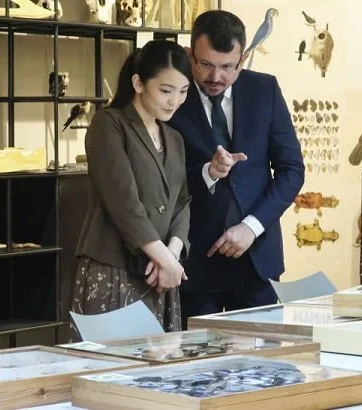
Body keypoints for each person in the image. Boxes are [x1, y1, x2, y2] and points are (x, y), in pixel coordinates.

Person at [168, 10, 305, 329]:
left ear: (242, 59)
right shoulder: (172, 96)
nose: (216, 77)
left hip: (256, 258)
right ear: (190, 55)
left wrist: (252, 226)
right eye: (206, 65)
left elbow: (291, 170)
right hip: (195, 262)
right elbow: (163, 181)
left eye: (228, 66)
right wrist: (206, 172)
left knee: (264, 368)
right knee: (197, 372)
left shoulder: (265, 91)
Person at [70, 40, 192, 337]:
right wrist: (163, 259)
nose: (174, 101)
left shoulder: (174, 137)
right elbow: (123, 201)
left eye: (183, 92)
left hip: (160, 272)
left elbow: (181, 202)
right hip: (114, 265)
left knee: (158, 372)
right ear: (138, 82)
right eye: (165, 91)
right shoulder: (108, 124)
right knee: (111, 369)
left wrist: (172, 256)